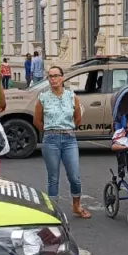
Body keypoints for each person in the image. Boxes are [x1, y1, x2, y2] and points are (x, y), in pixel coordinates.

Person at [34, 66, 89, 219]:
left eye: (56, 76)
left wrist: (67, 129)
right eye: (50, 76)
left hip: (69, 139)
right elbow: (37, 121)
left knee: (75, 176)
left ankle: (76, 205)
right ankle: (54, 210)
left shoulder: (72, 96)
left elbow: (77, 119)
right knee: (53, 177)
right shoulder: (43, 97)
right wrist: (49, 131)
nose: (53, 79)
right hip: (50, 139)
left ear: (63, 78)